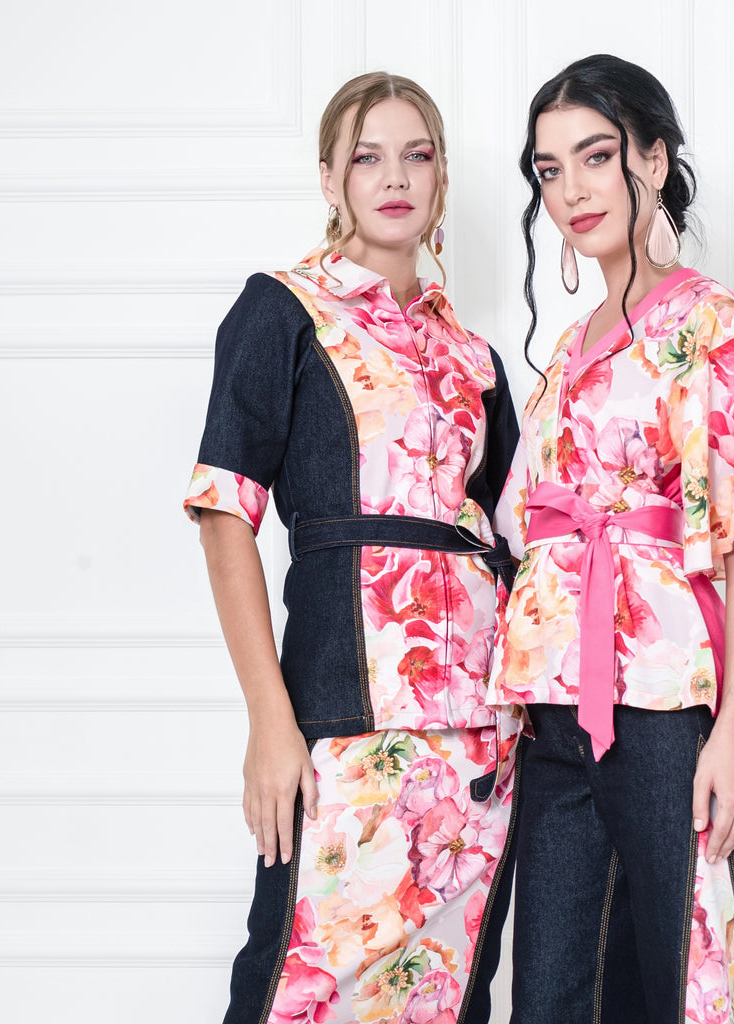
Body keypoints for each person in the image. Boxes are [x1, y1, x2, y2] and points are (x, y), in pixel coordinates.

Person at [183, 72, 522, 1024]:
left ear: (442, 177)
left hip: (483, 738)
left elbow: (510, 534)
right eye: (367, 157)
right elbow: (224, 514)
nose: (395, 177)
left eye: (418, 155)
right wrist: (270, 720)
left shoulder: (475, 357)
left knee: (446, 998)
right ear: (330, 178)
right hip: (341, 716)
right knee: (296, 988)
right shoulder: (281, 311)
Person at [488, 55, 734, 1024]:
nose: (571, 189)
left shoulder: (711, 322)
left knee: (697, 987)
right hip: (555, 716)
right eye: (549, 169)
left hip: (669, 711)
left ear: (652, 160)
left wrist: (731, 731)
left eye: (595, 156)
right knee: (552, 997)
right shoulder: (564, 352)